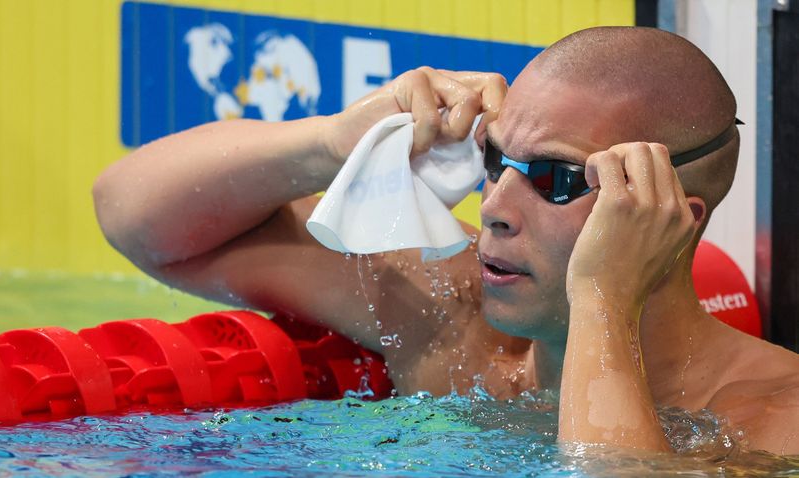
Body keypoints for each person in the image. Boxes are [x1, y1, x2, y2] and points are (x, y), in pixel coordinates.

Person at [93, 26, 799, 454]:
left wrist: (602, 302)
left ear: (675, 213)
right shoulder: (450, 315)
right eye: (496, 161)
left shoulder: (772, 418)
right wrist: (334, 141)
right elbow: (138, 220)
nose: (493, 205)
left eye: (554, 178)